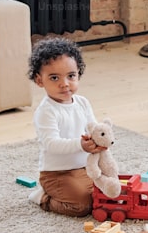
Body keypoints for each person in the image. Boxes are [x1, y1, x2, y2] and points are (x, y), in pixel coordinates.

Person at [27, 37, 106, 216]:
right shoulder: (46, 111)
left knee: (105, 194)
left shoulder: (83, 102)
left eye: (71, 76)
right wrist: (80, 145)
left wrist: (99, 138)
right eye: (54, 78)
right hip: (57, 174)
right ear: (40, 81)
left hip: (84, 168)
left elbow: (92, 128)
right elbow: (51, 143)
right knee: (81, 206)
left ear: (78, 74)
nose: (65, 83)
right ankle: (42, 197)